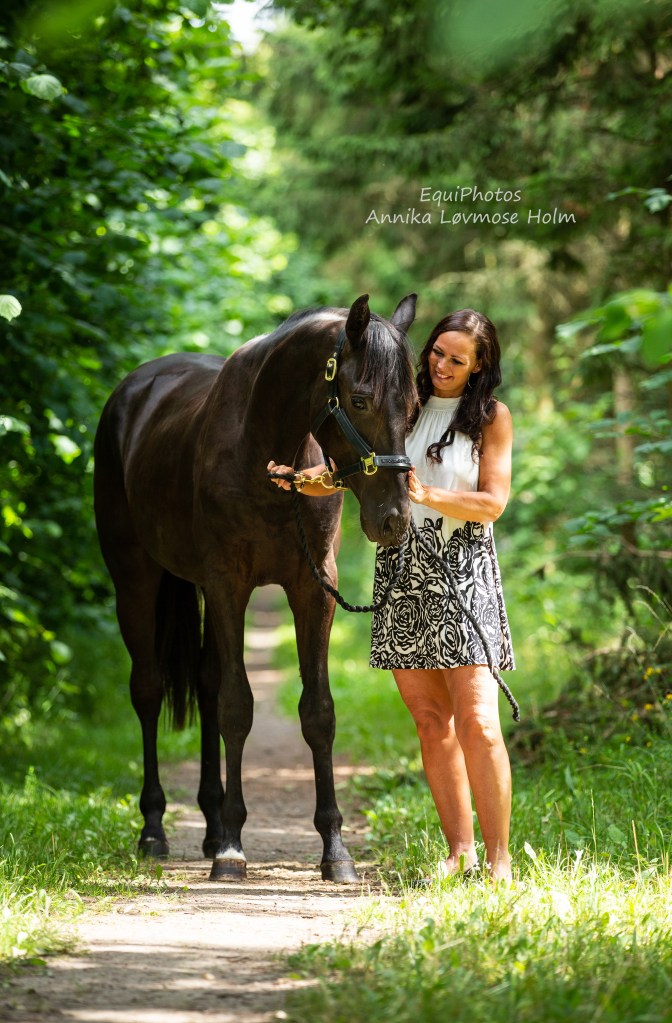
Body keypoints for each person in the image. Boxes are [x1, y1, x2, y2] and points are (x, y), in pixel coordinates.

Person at [268, 308, 515, 883]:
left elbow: (492, 503)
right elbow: (355, 468)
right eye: (437, 352)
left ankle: (499, 860)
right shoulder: (405, 403)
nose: (442, 365)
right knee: (430, 721)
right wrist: (302, 480)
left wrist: (425, 494)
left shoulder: (491, 418)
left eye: (458, 359)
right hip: (403, 572)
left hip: (463, 573)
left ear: (480, 366)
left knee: (479, 722)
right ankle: (459, 853)